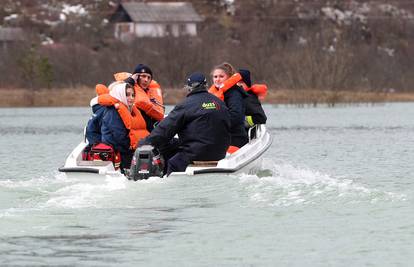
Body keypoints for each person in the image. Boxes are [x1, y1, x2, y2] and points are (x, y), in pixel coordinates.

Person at [142, 72, 231, 176]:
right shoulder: (220, 103)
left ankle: (169, 186)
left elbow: (164, 130)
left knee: (173, 163)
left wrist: (145, 143)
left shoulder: (185, 105)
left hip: (195, 154)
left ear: (189, 88)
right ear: (206, 85)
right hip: (220, 153)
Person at [86, 83, 142, 172]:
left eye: (133, 95)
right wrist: (133, 148)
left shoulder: (126, 110)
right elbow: (119, 136)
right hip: (117, 152)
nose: (131, 98)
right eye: (127, 95)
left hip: (123, 149)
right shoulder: (113, 112)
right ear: (120, 95)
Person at [208, 62, 248, 148]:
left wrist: (216, 125)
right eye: (215, 77)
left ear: (229, 77)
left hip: (235, 138)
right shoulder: (212, 95)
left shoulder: (235, 94)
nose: (217, 79)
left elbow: (236, 117)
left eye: (221, 76)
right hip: (218, 138)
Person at [123, 64, 164, 132]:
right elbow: (118, 92)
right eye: (143, 76)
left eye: (149, 77)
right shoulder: (129, 90)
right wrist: (131, 80)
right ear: (136, 77)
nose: (146, 80)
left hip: (150, 131)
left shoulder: (151, 93)